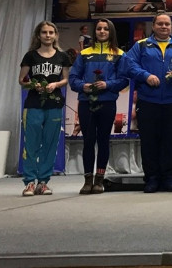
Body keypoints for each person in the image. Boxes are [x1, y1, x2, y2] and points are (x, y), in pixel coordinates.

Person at [125, 13, 172, 193]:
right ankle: (151, 179)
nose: (164, 26)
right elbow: (129, 65)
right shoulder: (141, 45)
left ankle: (169, 178)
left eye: (167, 24)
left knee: (171, 141)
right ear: (153, 26)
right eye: (160, 24)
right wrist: (145, 76)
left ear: (171, 26)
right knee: (149, 141)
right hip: (147, 101)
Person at [69, 18, 129, 194]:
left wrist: (107, 84)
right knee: (88, 141)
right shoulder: (84, 53)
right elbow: (73, 78)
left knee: (103, 140)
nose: (102, 31)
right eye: (99, 29)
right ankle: (87, 180)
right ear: (94, 32)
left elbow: (124, 80)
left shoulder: (120, 54)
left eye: (106, 29)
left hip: (107, 103)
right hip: (86, 103)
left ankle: (99, 180)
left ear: (111, 32)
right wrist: (83, 86)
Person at [18, 21, 71, 196]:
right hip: (33, 104)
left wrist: (56, 84)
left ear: (56, 35)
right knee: (31, 143)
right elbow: (21, 80)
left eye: (51, 32)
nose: (48, 35)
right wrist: (33, 85)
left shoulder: (62, 56)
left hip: (54, 103)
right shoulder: (30, 56)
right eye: (44, 32)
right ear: (38, 35)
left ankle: (43, 182)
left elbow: (66, 79)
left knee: (50, 143)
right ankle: (29, 182)